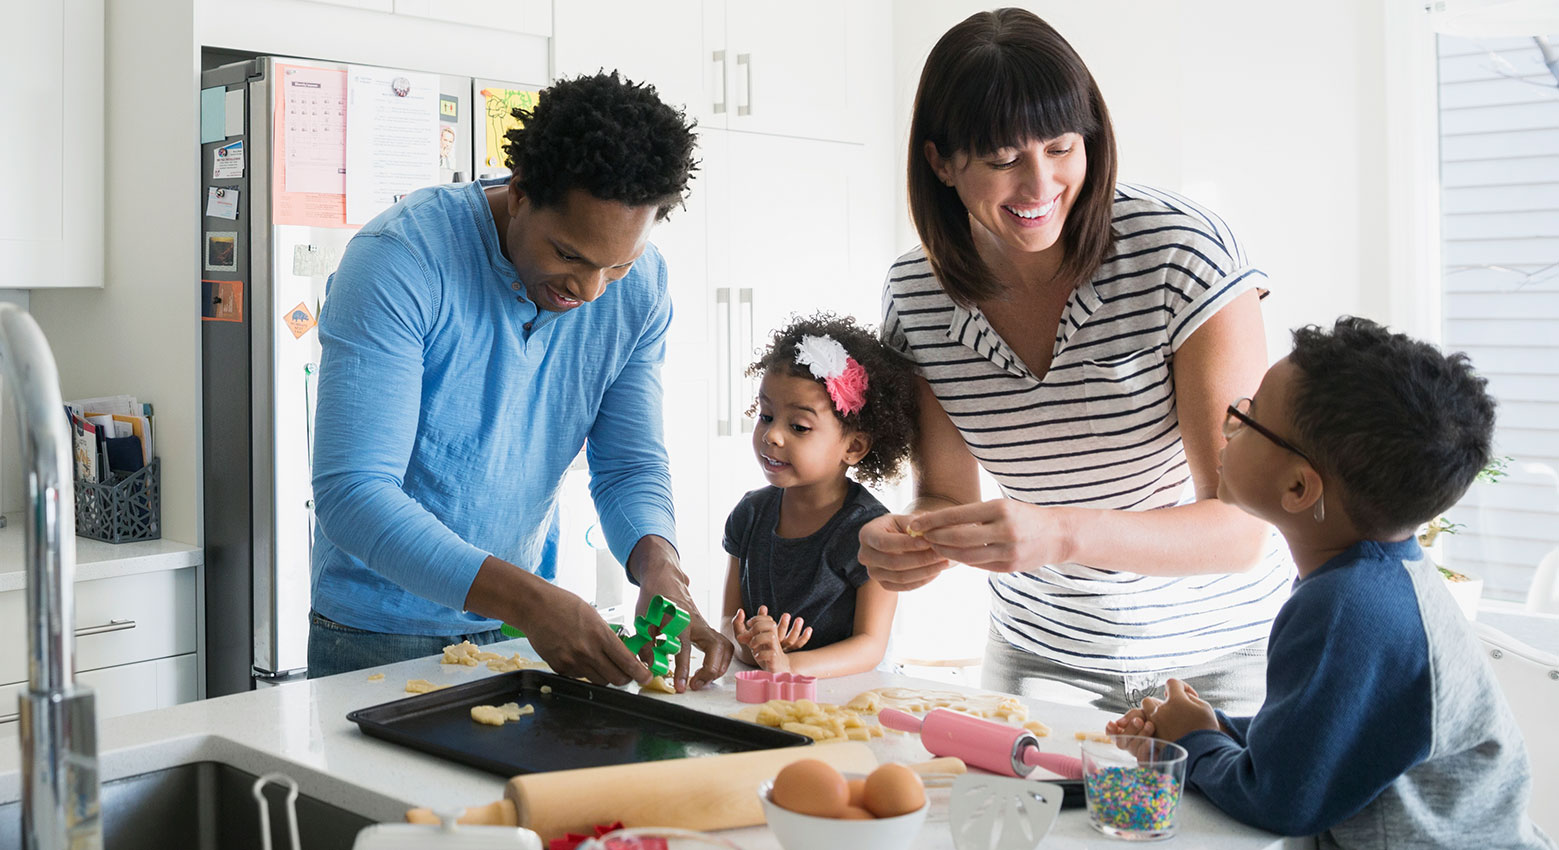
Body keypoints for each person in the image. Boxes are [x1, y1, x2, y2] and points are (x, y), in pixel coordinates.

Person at [861, 8, 1293, 713]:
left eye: (1061, 147)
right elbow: (945, 492)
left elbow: (1241, 526)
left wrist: (1059, 531)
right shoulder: (915, 295)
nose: (1038, 186)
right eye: (1002, 160)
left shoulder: (1180, 254)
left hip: (1223, 656)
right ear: (939, 161)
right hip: (1039, 657)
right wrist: (913, 539)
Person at [308, 71, 732, 690]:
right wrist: (530, 603)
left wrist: (658, 565)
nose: (588, 291)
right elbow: (355, 493)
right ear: (523, 191)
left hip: (518, 628)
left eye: (617, 264)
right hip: (377, 633)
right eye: (569, 256)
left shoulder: (642, 289)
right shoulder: (400, 258)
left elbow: (629, 467)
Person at [1106, 318, 1552, 848]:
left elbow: (1281, 799)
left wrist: (1196, 743)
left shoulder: (1346, 608)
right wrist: (1213, 729)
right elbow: (1332, 735)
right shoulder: (1381, 579)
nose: (1229, 424)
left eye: (1248, 417)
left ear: (1298, 486)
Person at [721, 314, 916, 677]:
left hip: (849, 701)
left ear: (854, 446)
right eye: (766, 416)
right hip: (769, 695)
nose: (772, 436)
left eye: (799, 426)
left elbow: (870, 647)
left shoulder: (874, 533)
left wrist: (788, 663)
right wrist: (756, 647)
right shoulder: (748, 515)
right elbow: (729, 622)